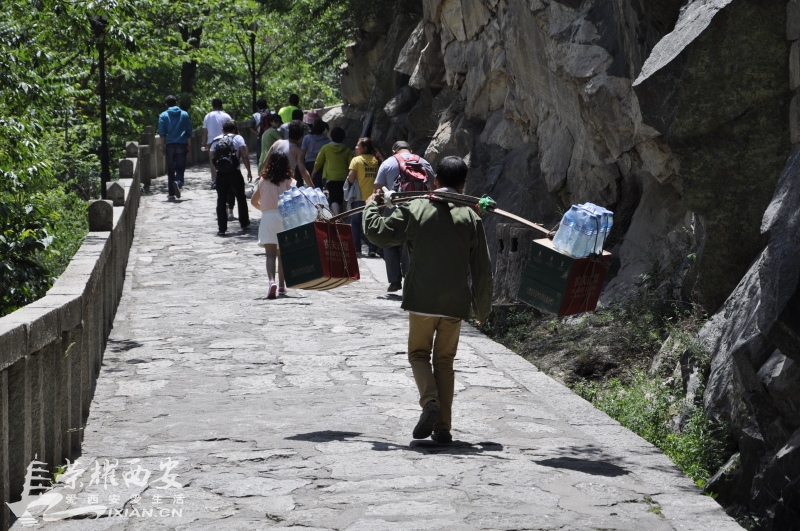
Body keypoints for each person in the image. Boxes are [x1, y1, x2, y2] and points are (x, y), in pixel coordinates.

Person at [362, 156, 493, 444]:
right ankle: (443, 427)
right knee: (444, 362)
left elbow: (380, 234)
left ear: (435, 181)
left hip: (422, 298)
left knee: (419, 355)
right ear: (463, 184)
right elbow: (482, 267)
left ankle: (430, 402)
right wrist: (482, 307)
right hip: (455, 303)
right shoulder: (471, 216)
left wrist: (372, 205)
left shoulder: (415, 208)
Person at [373, 140, 434, 291]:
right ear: (410, 150)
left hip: (394, 208)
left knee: (389, 242)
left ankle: (394, 280)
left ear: (394, 151)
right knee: (412, 243)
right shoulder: (424, 163)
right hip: (419, 209)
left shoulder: (387, 163)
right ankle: (410, 278)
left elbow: (377, 189)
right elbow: (433, 187)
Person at [251, 150, 295, 299]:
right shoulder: (289, 181)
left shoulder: (263, 181)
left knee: (270, 255)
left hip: (268, 218)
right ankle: (282, 287)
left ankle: (271, 282)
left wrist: (265, 209)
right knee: (282, 255)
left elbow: (253, 201)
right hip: (285, 218)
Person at [210, 120, 252, 235]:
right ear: (234, 129)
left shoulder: (216, 140)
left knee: (221, 200)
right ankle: (244, 223)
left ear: (222, 130)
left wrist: (214, 176)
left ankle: (222, 228)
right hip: (235, 172)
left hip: (221, 174)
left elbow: (212, 159)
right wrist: (249, 171)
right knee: (241, 197)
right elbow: (244, 155)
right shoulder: (238, 138)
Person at [346, 137, 381, 257]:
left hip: (359, 197)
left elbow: (351, 178)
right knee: (371, 222)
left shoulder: (356, 160)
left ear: (364, 148)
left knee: (355, 223)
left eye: (358, 146)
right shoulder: (376, 160)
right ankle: (372, 249)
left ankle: (357, 248)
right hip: (373, 198)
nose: (356, 148)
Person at [157, 95, 192, 200]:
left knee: (170, 169)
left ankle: (171, 192)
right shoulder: (184, 114)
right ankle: (178, 182)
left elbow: (162, 132)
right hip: (182, 143)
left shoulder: (163, 115)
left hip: (170, 144)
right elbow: (189, 131)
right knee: (180, 168)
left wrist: (162, 146)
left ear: (166, 104)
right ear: (176, 103)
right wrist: (189, 144)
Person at [312, 127, 352, 215]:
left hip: (330, 177)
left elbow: (318, 163)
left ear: (331, 136)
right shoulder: (347, 150)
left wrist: (313, 173)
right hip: (343, 178)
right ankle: (340, 216)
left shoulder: (326, 148)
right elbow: (351, 164)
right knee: (340, 198)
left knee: (333, 198)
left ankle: (337, 216)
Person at [264, 120, 313, 188]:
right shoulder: (298, 151)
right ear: (301, 137)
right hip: (287, 184)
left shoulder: (277, 143)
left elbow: (265, 163)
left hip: (272, 181)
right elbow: (303, 171)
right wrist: (313, 188)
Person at [202, 98, 233, 188]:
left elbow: (204, 131)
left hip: (211, 141)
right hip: (225, 141)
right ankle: (226, 179)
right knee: (226, 159)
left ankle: (214, 180)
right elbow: (232, 128)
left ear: (212, 106)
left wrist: (203, 142)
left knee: (212, 161)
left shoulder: (208, 116)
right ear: (221, 105)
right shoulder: (226, 116)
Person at [300, 119, 330, 189]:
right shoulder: (326, 140)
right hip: (322, 164)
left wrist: (302, 165)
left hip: (309, 163)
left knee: (310, 183)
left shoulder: (307, 138)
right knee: (318, 184)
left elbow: (302, 153)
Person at [249, 98, 270, 167]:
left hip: (261, 137)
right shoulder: (272, 113)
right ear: (266, 105)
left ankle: (261, 169)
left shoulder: (255, 115)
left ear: (257, 106)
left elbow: (251, 127)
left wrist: (257, 133)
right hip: (271, 137)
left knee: (260, 154)